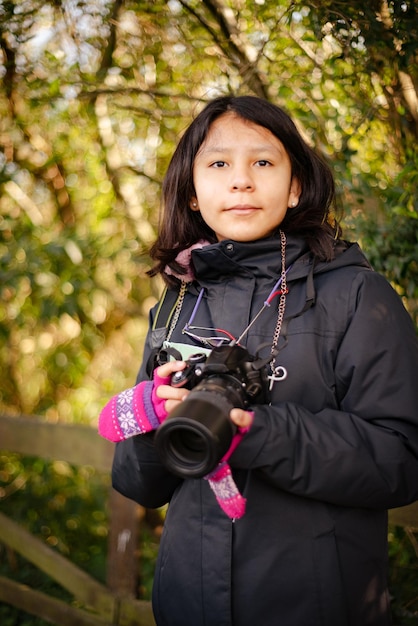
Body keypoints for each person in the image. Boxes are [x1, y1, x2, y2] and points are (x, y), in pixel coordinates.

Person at [98, 95, 418, 626]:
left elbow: (402, 460)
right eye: (219, 164)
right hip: (187, 604)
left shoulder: (359, 296)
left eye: (263, 162)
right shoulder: (178, 300)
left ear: (295, 187)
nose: (241, 180)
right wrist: (149, 417)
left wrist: (261, 434)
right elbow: (139, 486)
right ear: (194, 193)